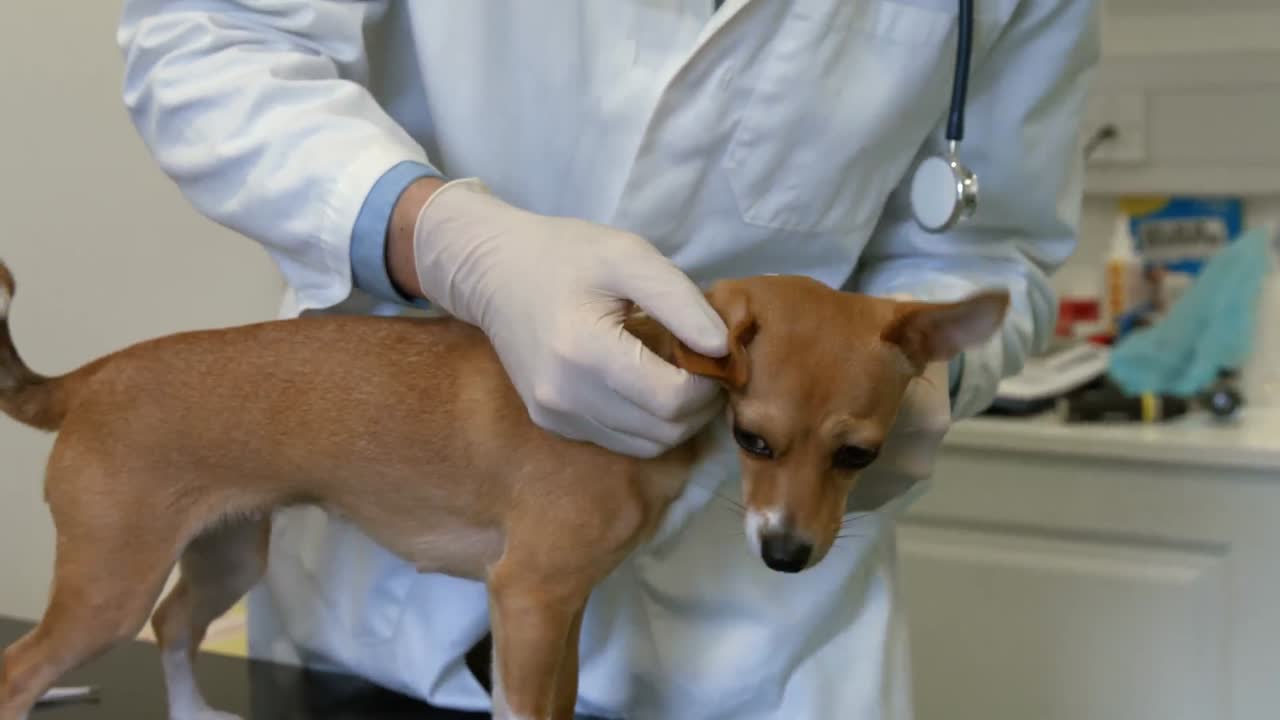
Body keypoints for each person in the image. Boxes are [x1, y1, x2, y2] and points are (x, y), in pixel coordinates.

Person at [116, 2, 1100, 718]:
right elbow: (210, 34)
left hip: (755, 648)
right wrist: (436, 236)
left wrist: (918, 375)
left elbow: (990, 241)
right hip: (384, 600)